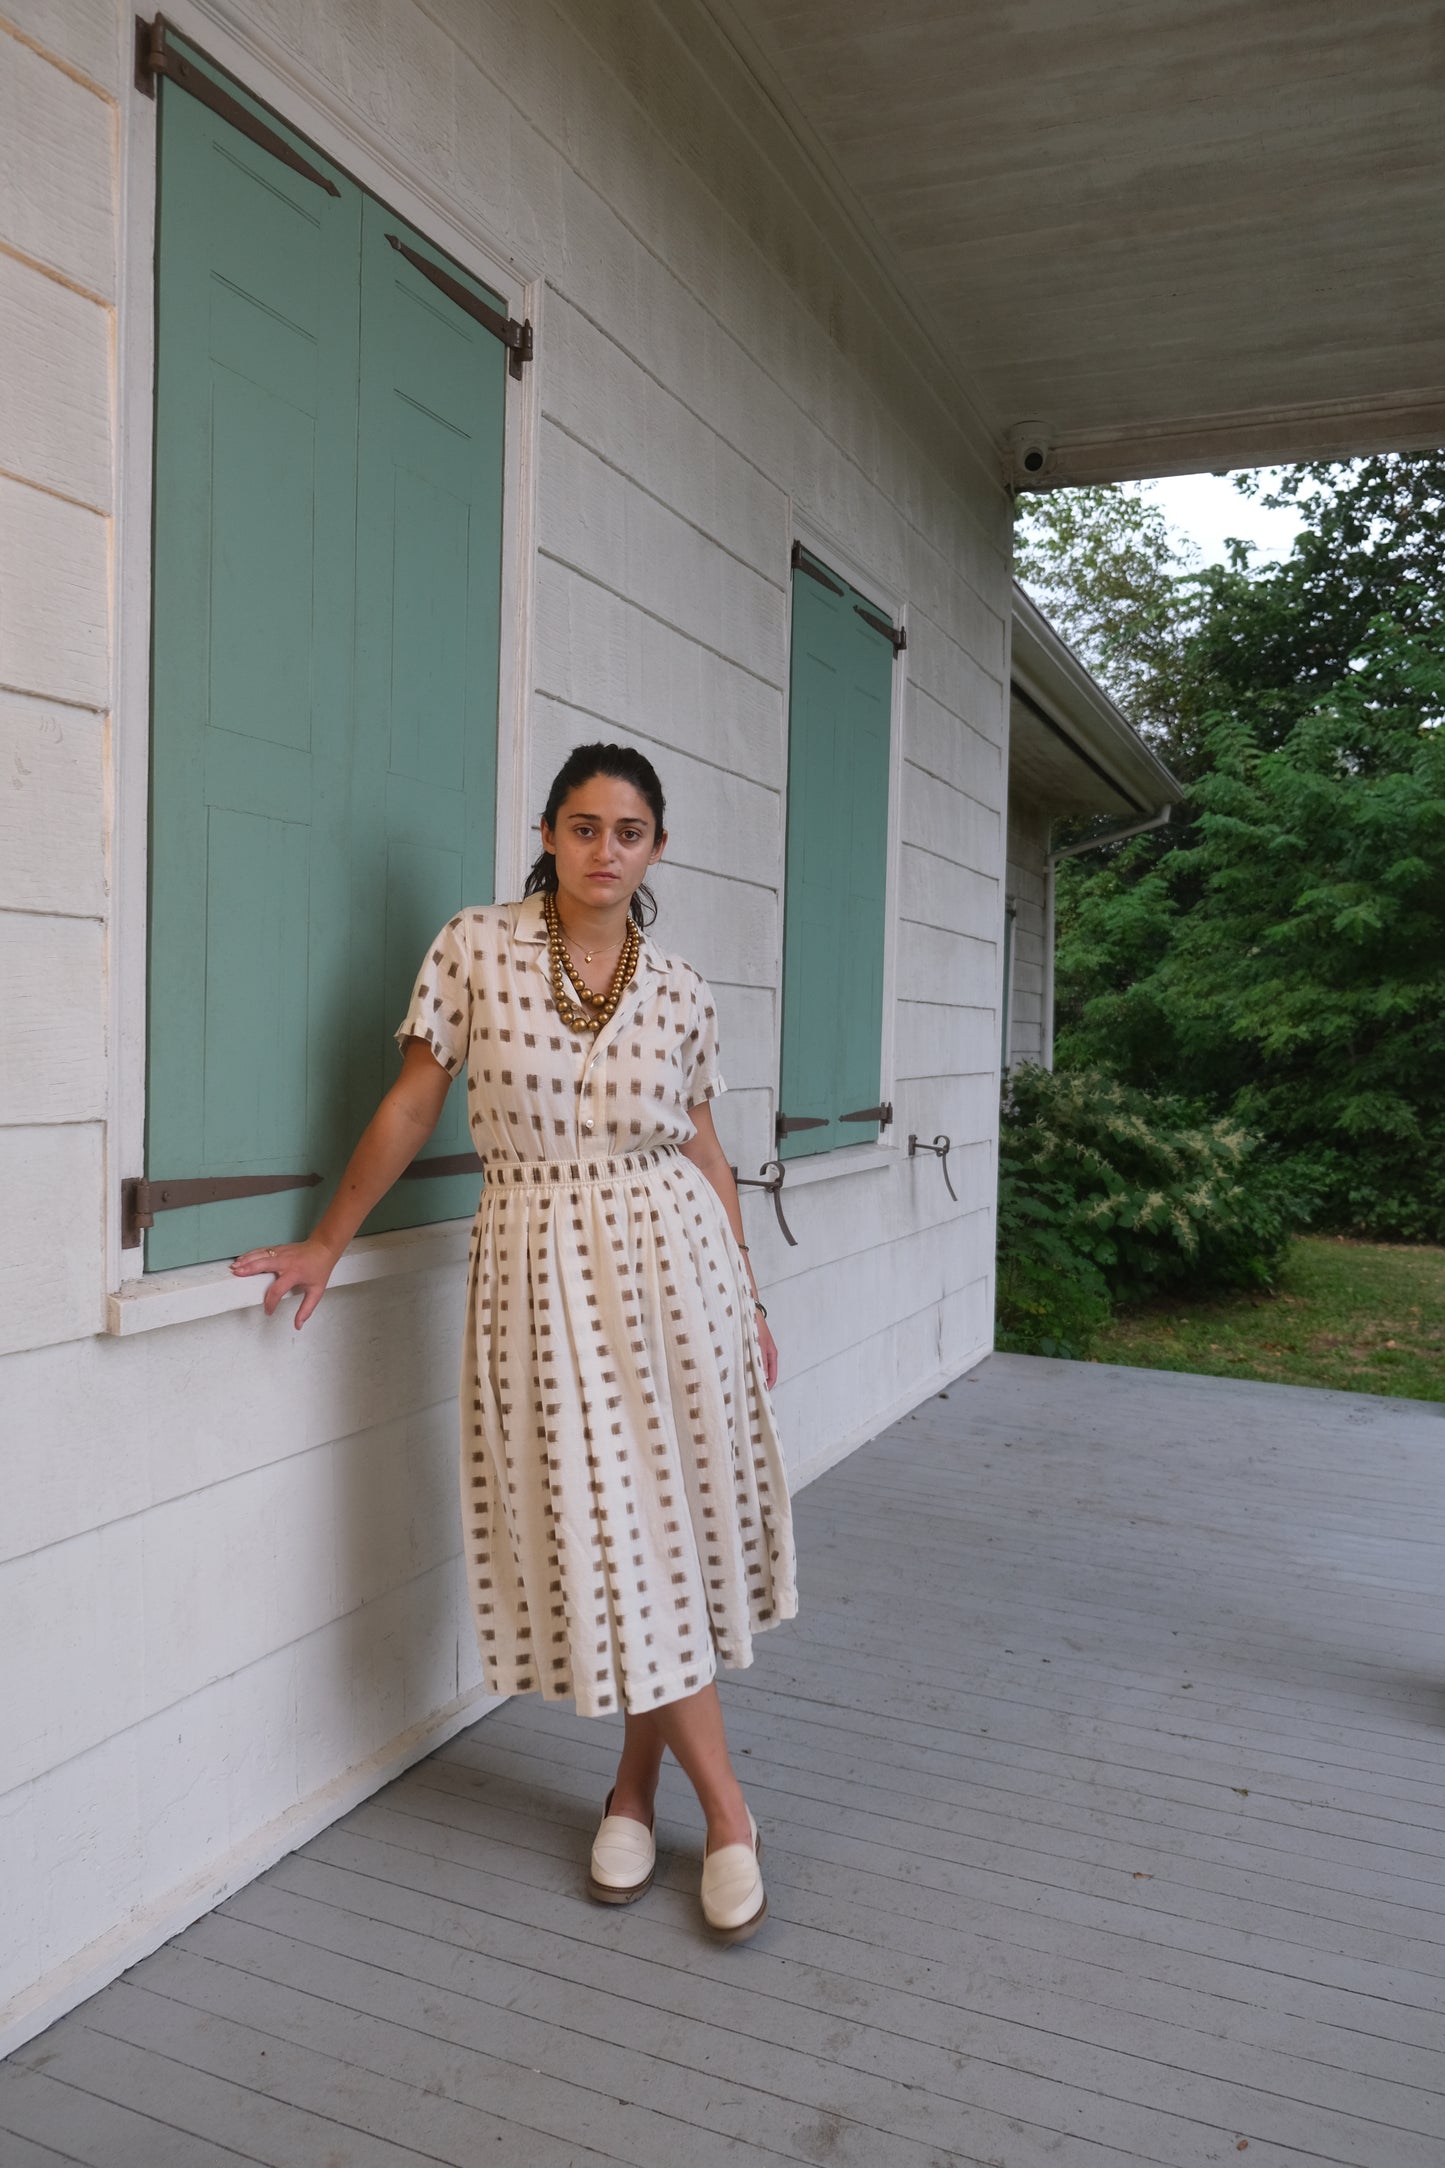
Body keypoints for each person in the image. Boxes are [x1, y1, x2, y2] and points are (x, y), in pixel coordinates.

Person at [233, 742, 798, 1942]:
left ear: (656, 848)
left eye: (629, 830)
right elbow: (409, 1101)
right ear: (546, 833)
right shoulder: (474, 947)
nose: (605, 849)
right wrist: (327, 1240)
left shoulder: (684, 986)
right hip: (540, 1267)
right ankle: (720, 1806)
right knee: (621, 1527)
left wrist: (746, 1295)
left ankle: (653, 1795)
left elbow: (704, 1148)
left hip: (676, 1265)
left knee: (665, 1527)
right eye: (583, 825)